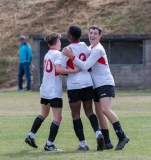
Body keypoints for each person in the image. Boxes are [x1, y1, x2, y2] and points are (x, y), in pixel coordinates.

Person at [63, 25, 130, 151]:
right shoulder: (89, 48)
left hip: (105, 83)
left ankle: (122, 136)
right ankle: (107, 142)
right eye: (90, 33)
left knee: (105, 109)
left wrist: (72, 56)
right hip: (96, 85)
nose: (92, 35)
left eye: (95, 33)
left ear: (100, 36)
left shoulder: (98, 49)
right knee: (99, 112)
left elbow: (85, 65)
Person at [25, 33, 80, 151]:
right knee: (58, 117)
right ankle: (49, 144)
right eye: (59, 41)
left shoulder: (47, 54)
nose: (60, 42)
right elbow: (59, 69)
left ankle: (31, 135)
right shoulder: (58, 54)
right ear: (57, 42)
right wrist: (74, 71)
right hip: (54, 90)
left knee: (43, 113)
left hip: (45, 88)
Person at [59, 26, 105, 151]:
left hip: (74, 85)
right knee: (89, 111)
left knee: (75, 115)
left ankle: (83, 145)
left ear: (70, 36)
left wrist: (70, 72)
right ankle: (98, 133)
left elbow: (62, 69)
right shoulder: (85, 46)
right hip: (87, 83)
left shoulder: (66, 50)